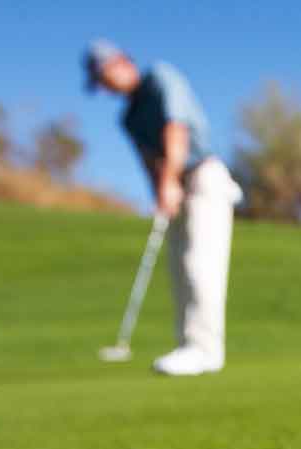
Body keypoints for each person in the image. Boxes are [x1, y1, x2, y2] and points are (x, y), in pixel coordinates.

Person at [85, 40, 241, 376]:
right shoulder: (127, 118)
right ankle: (189, 346)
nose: (105, 86)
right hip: (173, 186)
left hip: (203, 177)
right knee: (180, 268)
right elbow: (147, 159)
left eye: (104, 75)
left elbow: (176, 130)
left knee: (202, 265)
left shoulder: (160, 78)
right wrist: (160, 191)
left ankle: (205, 351)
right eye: (99, 82)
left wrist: (169, 180)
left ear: (122, 62)